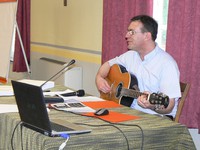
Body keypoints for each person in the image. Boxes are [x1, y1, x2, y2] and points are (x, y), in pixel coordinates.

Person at [95, 15, 181, 119]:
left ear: (147, 36)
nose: (127, 35)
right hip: (128, 111)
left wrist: (152, 106)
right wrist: (99, 78)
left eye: (132, 32)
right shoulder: (130, 55)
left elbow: (169, 106)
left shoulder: (167, 64)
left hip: (155, 118)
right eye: (128, 31)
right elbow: (108, 64)